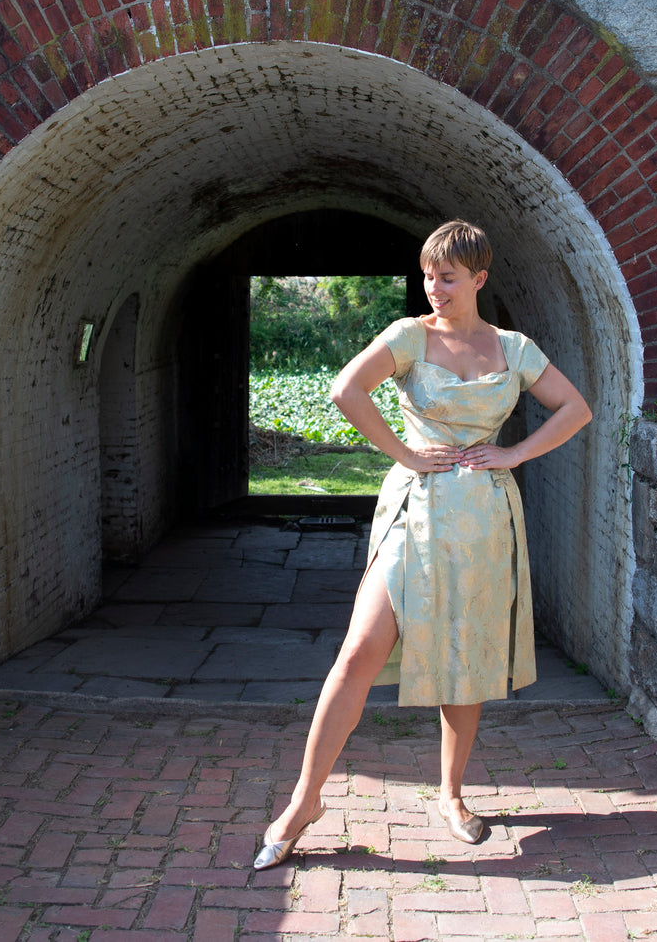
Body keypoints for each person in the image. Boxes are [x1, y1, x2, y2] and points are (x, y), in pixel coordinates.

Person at [254, 219, 593, 870]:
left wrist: (514, 452)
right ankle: (303, 802)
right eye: (427, 275)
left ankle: (452, 796)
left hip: (485, 517)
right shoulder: (409, 335)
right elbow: (344, 390)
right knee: (358, 651)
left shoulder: (513, 348)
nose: (433, 287)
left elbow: (574, 409)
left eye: (447, 277)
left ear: (478, 280)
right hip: (417, 510)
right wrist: (405, 454)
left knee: (464, 662)